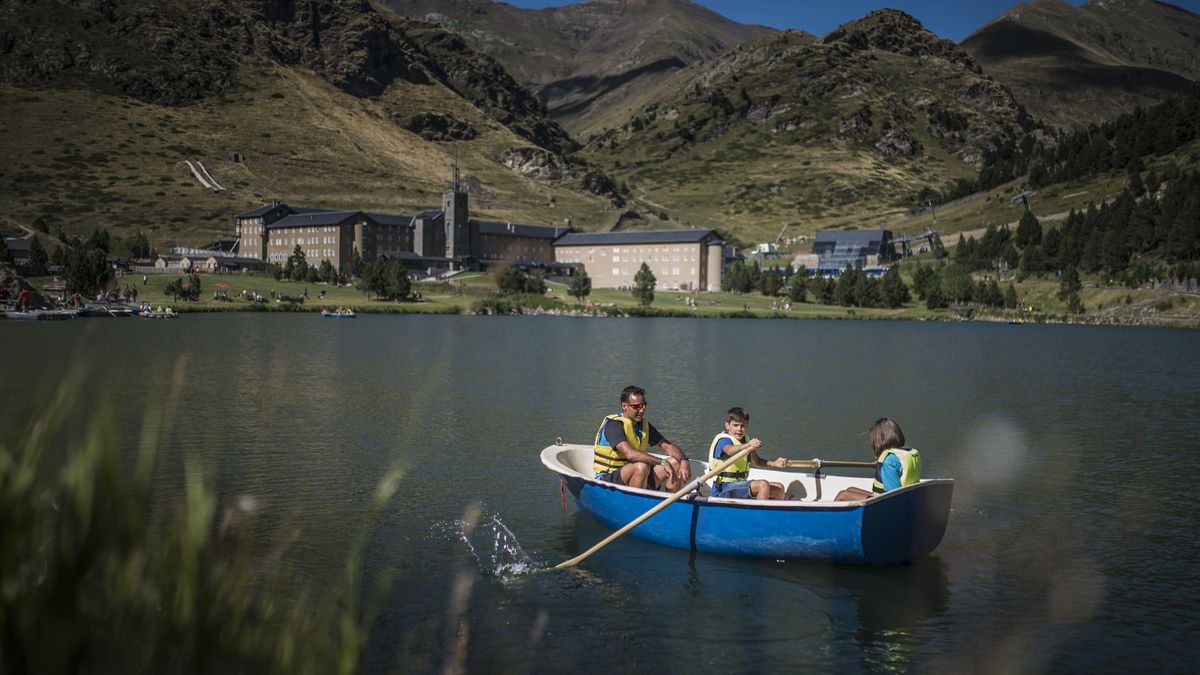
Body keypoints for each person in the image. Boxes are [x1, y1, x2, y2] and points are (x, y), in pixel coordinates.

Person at [593, 385, 691, 491]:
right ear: (624, 406)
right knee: (641, 466)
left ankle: (670, 503)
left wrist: (684, 460)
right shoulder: (614, 425)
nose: (641, 410)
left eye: (643, 406)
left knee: (676, 463)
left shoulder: (644, 425)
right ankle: (635, 504)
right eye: (636, 407)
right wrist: (662, 462)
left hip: (639, 475)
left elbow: (668, 447)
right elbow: (630, 455)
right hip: (610, 479)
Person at [707, 407, 788, 500]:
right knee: (763, 485)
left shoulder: (745, 439)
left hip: (739, 485)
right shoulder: (724, 440)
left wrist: (774, 463)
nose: (739, 429)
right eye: (735, 425)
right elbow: (729, 450)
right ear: (727, 425)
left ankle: (771, 512)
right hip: (723, 488)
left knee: (779, 488)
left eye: (743, 425)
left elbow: (757, 461)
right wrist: (747, 445)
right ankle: (759, 513)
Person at [835, 418, 922, 501]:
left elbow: (894, 495)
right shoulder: (904, 454)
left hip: (887, 504)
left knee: (842, 495)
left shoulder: (888, 461)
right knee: (850, 489)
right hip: (909, 498)